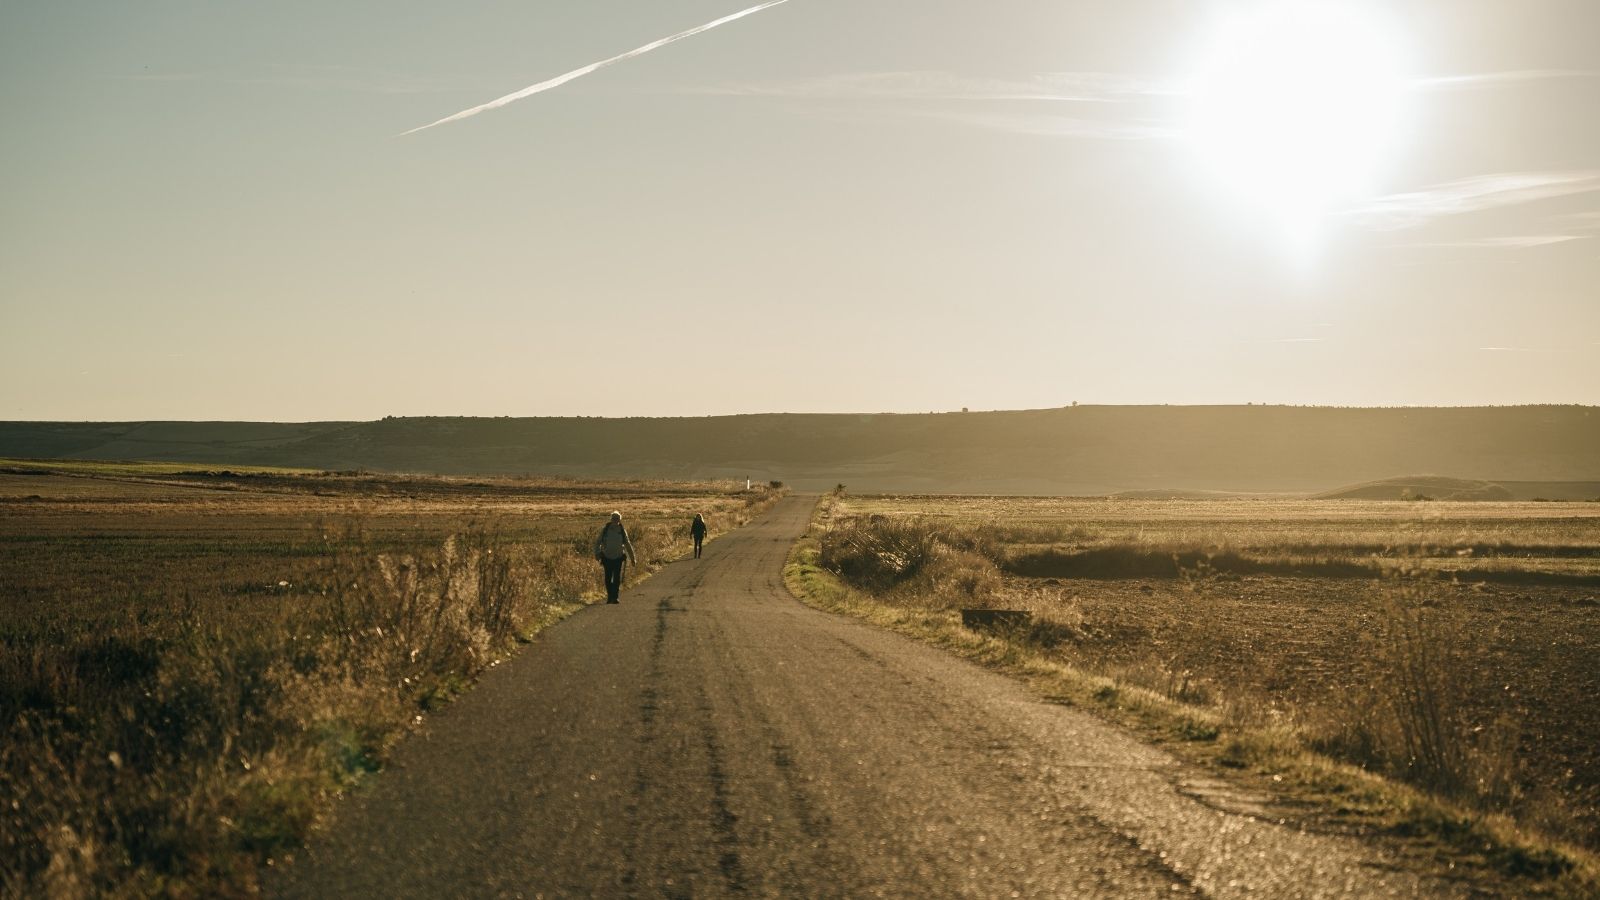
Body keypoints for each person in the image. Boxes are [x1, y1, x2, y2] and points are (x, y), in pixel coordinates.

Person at [593, 511, 635, 604]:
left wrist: (633, 558)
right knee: (608, 579)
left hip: (618, 557)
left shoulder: (622, 530)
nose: (616, 521)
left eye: (617, 519)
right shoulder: (605, 530)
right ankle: (610, 596)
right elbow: (598, 542)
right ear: (611, 519)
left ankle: (615, 597)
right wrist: (597, 553)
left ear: (620, 520)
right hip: (607, 557)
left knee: (616, 578)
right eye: (614, 519)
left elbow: (628, 544)